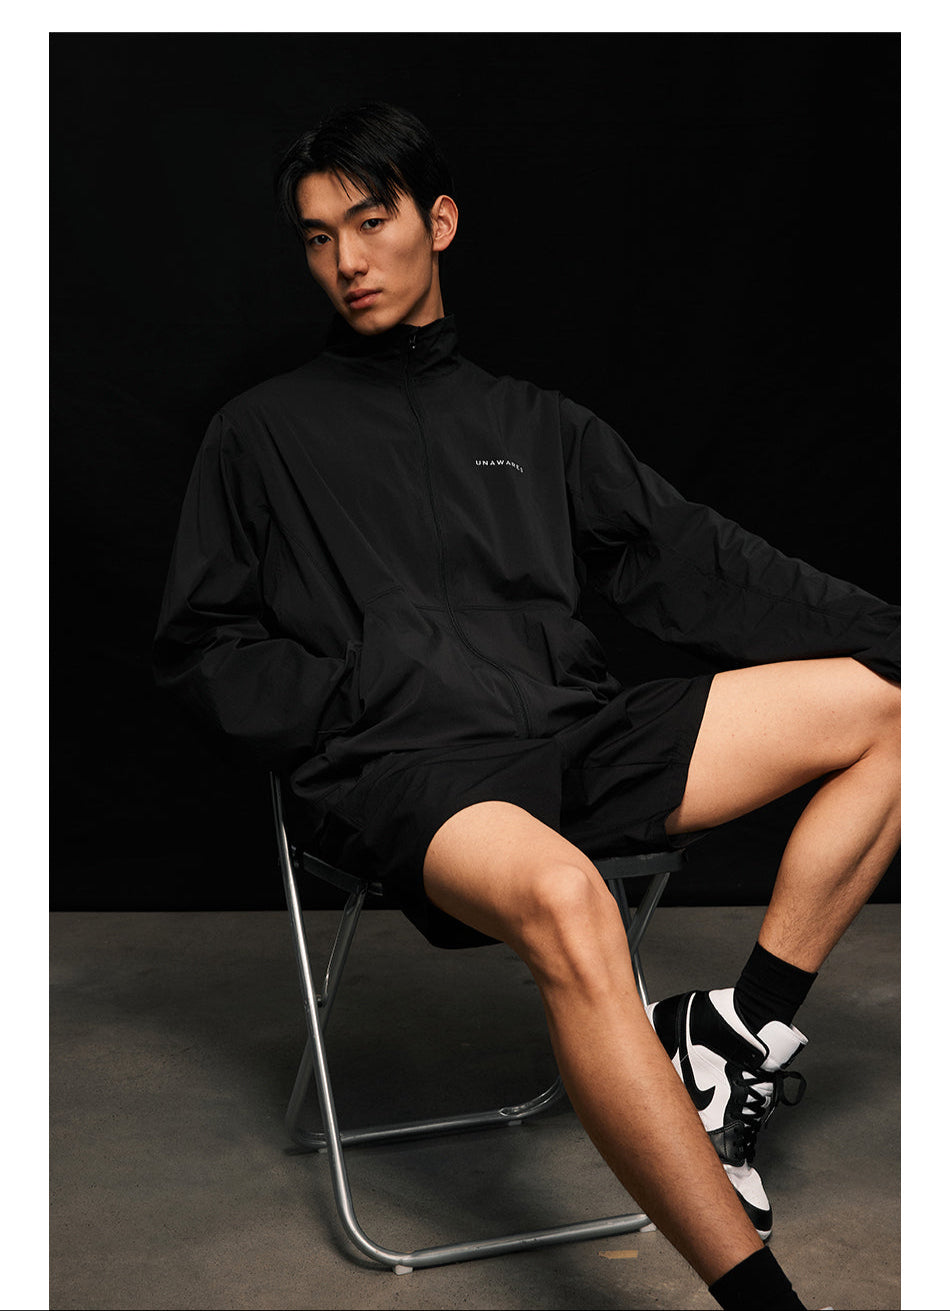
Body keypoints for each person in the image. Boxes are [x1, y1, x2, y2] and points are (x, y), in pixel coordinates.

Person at [153, 101, 899, 1310]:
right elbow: (201, 647)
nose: (345, 260)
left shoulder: (531, 422)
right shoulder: (261, 433)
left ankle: (731, 1037)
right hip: (406, 767)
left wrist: (907, 636)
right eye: (316, 237)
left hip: (568, 733)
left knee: (896, 708)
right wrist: (355, 695)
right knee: (569, 897)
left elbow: (700, 563)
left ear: (438, 222)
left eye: (371, 221)